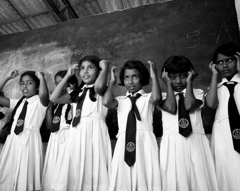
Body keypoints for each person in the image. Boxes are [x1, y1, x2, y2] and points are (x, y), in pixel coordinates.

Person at [50, 55, 112, 191]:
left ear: (98, 71)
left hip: (94, 132)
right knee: (75, 167)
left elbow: (99, 87)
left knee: (94, 165)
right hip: (76, 133)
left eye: (90, 68)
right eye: (82, 68)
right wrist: (67, 76)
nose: (85, 71)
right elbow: (53, 98)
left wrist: (105, 68)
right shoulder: (75, 93)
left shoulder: (102, 89)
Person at [158, 55, 218, 191]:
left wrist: (190, 82)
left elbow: (189, 105)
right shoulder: (163, 97)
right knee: (175, 178)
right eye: (173, 77)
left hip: (195, 141)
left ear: (190, 75)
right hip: (172, 143)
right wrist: (168, 84)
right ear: (166, 77)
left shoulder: (197, 92)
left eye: (184, 76)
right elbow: (172, 108)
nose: (179, 81)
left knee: (199, 178)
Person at [103, 60, 162, 191]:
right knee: (122, 176)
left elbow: (157, 98)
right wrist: (111, 82)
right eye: (126, 78)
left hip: (144, 141)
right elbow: (106, 101)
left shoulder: (148, 98)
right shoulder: (120, 100)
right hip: (123, 142)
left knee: (145, 172)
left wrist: (154, 76)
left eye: (135, 77)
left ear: (142, 78)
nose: (130, 82)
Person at [0, 70, 49, 191]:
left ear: (37, 86)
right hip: (13, 141)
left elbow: (44, 95)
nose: (24, 86)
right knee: (8, 173)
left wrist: (42, 78)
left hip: (29, 141)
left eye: (29, 83)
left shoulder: (41, 102)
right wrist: (7, 77)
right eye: (22, 83)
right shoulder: (19, 103)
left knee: (25, 174)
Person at [205, 41, 240, 191]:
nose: (224, 66)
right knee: (227, 173)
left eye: (230, 60)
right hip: (223, 135)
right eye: (220, 62)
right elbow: (211, 104)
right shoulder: (216, 88)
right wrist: (214, 76)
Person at [42, 70, 78, 191]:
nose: (59, 86)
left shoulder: (74, 97)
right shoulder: (56, 103)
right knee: (53, 170)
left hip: (68, 136)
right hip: (55, 138)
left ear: (71, 84)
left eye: (62, 83)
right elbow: (49, 126)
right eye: (57, 83)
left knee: (65, 172)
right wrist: (49, 107)